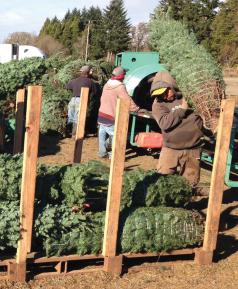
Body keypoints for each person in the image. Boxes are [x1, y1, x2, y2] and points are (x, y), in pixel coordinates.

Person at [150, 71, 204, 188]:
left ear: (172, 86)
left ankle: (186, 205)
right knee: (162, 181)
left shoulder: (189, 96)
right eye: (159, 95)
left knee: (190, 183)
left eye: (165, 92)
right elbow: (165, 123)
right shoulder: (158, 104)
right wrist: (182, 110)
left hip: (193, 148)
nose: (164, 96)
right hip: (171, 149)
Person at [97, 66, 143, 159]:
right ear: (121, 76)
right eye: (124, 74)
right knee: (115, 136)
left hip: (102, 114)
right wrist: (136, 109)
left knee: (102, 133)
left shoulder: (107, 84)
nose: (125, 76)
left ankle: (102, 153)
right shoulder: (119, 87)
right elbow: (127, 100)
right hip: (111, 116)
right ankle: (113, 156)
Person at [66, 65, 95, 136]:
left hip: (73, 100)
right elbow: (94, 92)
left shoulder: (74, 80)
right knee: (78, 118)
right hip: (81, 100)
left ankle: (68, 132)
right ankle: (75, 134)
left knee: (70, 117)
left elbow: (67, 87)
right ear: (88, 73)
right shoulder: (90, 82)